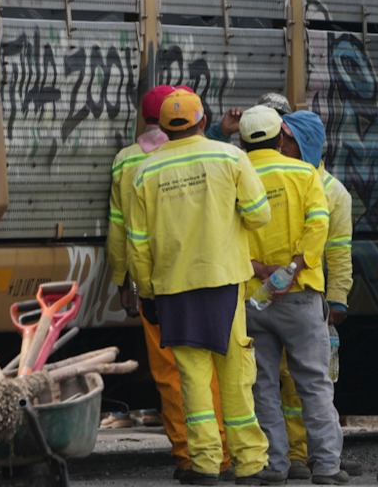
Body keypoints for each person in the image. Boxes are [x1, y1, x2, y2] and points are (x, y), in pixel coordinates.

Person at [126, 89, 276, 485]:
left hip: (173, 287)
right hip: (224, 281)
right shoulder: (230, 158)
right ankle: (249, 463)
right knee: (235, 373)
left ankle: (205, 464)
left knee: (192, 378)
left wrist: (147, 293)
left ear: (163, 126)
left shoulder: (145, 171)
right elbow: (259, 216)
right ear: (203, 120)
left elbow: (137, 244)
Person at [109, 83, 237, 480]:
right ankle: (224, 454)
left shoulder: (129, 163)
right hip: (217, 276)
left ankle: (187, 454)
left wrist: (126, 283)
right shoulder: (215, 155)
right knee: (218, 368)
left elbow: (123, 231)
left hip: (162, 282)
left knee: (171, 372)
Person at [240, 106, 349, 485]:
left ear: (243, 141)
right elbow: (319, 225)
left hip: (253, 298)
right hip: (300, 295)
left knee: (263, 385)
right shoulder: (305, 174)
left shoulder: (238, 172)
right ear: (280, 136)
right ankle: (327, 467)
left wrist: (260, 269)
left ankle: (275, 465)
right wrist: (293, 268)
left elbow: (225, 233)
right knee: (314, 383)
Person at [275, 110, 359, 480]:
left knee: (306, 381)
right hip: (272, 294)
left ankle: (305, 453)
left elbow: (339, 251)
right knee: (279, 378)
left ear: (305, 143)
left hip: (309, 296)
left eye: (288, 139)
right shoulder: (280, 176)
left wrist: (338, 298)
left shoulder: (333, 192)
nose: (280, 144)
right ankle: (296, 453)